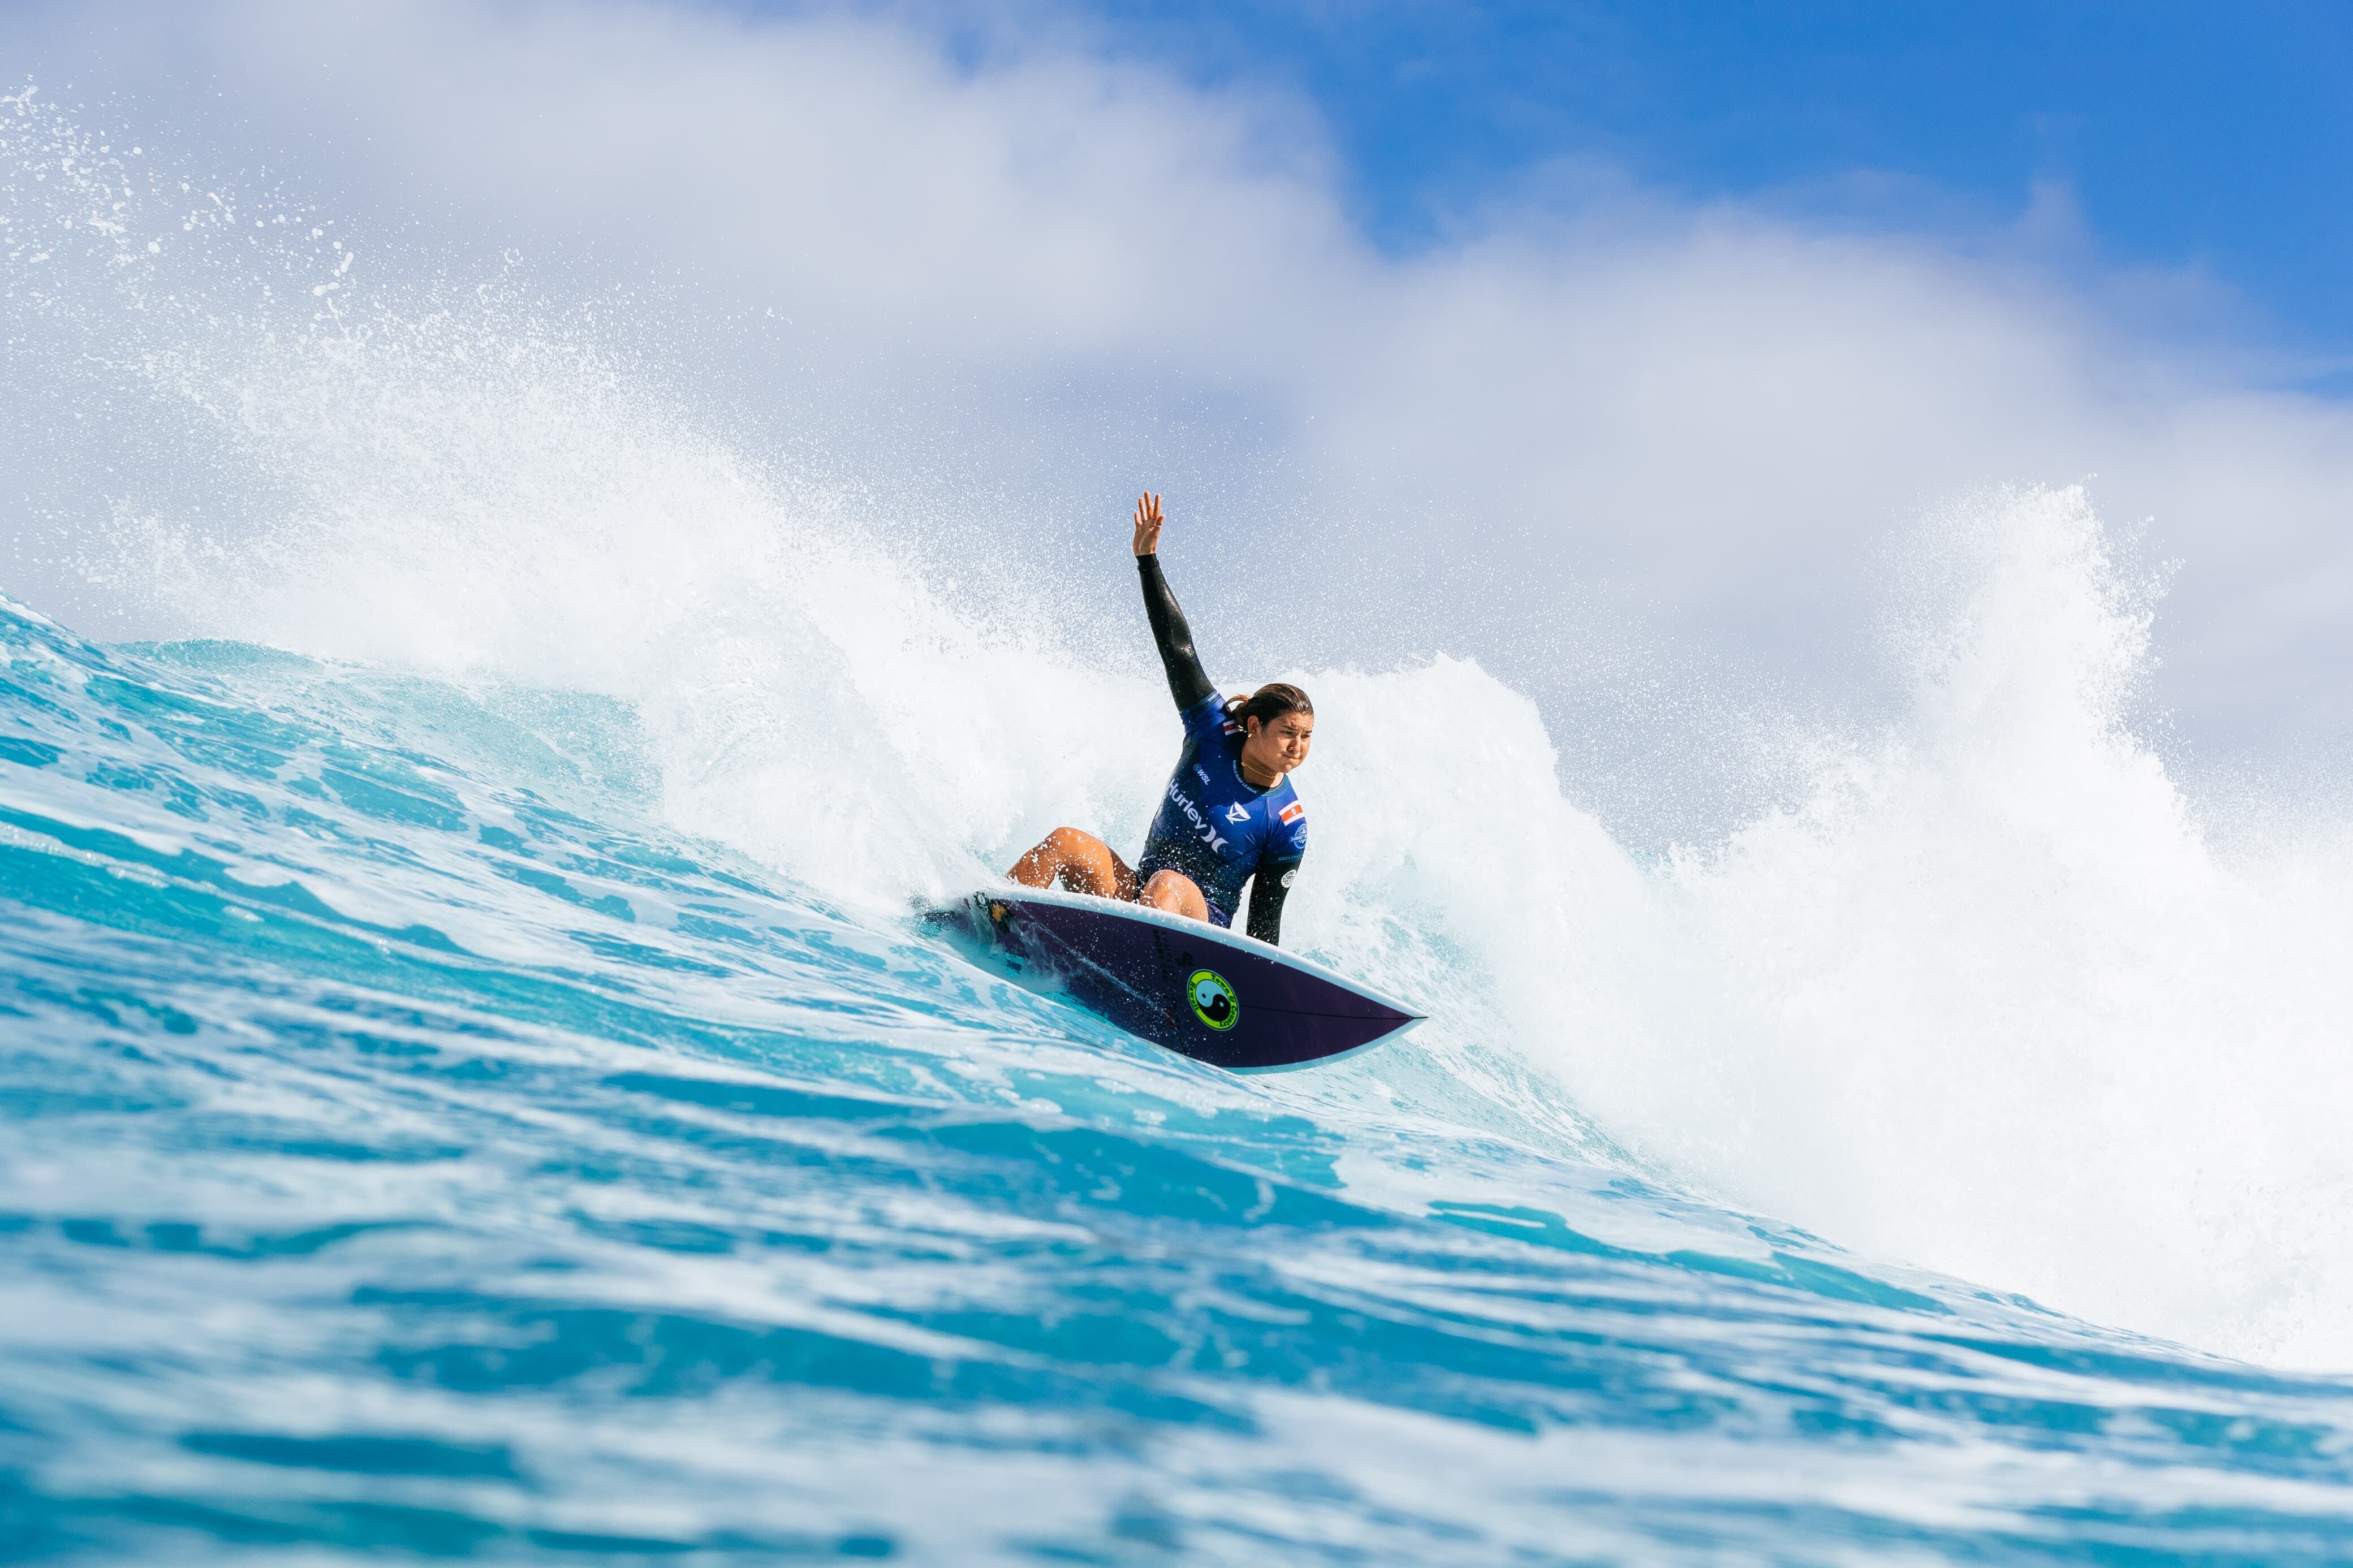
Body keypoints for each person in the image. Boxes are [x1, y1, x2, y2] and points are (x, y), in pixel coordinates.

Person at [1006, 493, 1313, 945]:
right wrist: (1147, 560)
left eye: (1306, 737)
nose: (1298, 746)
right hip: (1141, 897)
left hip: (1198, 927)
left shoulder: (1286, 822)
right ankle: (995, 915)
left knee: (1167, 885)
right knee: (1066, 841)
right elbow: (1178, 647)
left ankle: (1141, 970)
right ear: (1254, 727)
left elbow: (1264, 924)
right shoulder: (1211, 729)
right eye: (1288, 733)